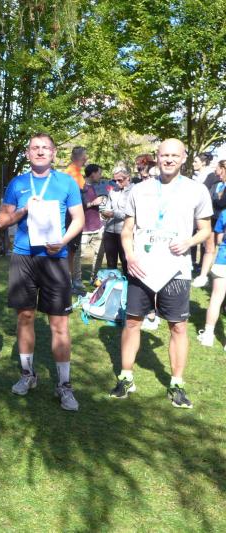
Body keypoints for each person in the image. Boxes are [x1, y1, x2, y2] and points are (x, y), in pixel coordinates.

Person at [110, 138, 212, 408]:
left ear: (183, 158)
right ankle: (126, 377)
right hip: (141, 266)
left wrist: (189, 242)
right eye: (164, 155)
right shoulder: (139, 189)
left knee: (178, 326)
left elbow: (205, 230)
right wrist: (129, 255)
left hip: (176, 269)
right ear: (157, 156)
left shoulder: (196, 190)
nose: (169, 159)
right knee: (132, 322)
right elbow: (127, 230)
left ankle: (177, 384)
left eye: (174, 155)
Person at [0, 132, 84, 411]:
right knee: (25, 317)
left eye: (46, 147)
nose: (40, 151)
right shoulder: (18, 183)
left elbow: (79, 219)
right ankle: (27, 375)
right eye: (35, 147)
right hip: (24, 256)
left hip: (55, 258)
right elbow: (2, 221)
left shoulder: (66, 182)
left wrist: (64, 241)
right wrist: (23, 211)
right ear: (27, 153)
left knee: (59, 324)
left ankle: (64, 385)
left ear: (54, 153)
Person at [192, 158, 226, 287]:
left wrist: (215, 200)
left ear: (223, 169)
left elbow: (221, 203)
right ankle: (203, 276)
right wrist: (216, 199)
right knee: (209, 248)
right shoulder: (216, 184)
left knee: (222, 246)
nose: (215, 171)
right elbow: (208, 199)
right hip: (213, 219)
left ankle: (220, 276)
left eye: (217, 168)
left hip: (223, 221)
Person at [197, 207, 226, 349]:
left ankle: (208, 335)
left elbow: (219, 240)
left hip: (223, 261)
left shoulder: (224, 213)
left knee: (215, 299)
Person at [96, 167, 132, 272]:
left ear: (128, 178)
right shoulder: (112, 191)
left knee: (126, 262)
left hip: (125, 232)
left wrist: (113, 214)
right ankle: (112, 282)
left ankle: (128, 281)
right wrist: (104, 214)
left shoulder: (134, 191)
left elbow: (131, 214)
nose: (116, 183)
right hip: (110, 231)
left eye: (119, 180)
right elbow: (107, 208)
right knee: (110, 263)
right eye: (114, 180)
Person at [78, 163, 105, 288]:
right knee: (78, 258)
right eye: (99, 173)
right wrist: (93, 203)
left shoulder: (94, 187)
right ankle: (76, 282)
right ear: (93, 174)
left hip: (97, 227)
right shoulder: (80, 187)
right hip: (83, 229)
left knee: (98, 256)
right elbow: (78, 207)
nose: (101, 176)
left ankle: (94, 279)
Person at [65, 147, 87, 293]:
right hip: (71, 219)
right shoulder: (71, 173)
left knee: (73, 252)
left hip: (76, 219)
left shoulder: (77, 172)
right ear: (81, 157)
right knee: (69, 252)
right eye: (86, 156)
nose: (87, 159)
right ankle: (67, 284)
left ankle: (71, 282)